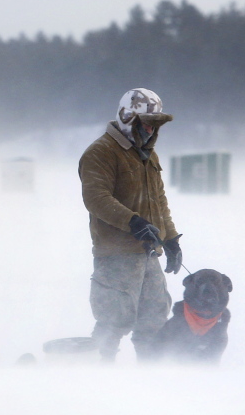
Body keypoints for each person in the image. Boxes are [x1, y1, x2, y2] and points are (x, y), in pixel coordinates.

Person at [78, 88, 183, 362]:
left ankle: (150, 378)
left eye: (155, 124)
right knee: (114, 320)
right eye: (145, 123)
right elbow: (96, 198)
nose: (150, 129)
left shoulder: (149, 156)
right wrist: (132, 221)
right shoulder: (100, 153)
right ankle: (97, 376)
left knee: (155, 319)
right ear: (127, 118)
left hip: (149, 254)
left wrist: (170, 239)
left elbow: (159, 200)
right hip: (115, 255)